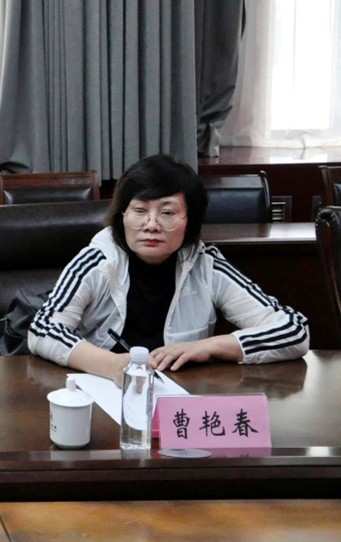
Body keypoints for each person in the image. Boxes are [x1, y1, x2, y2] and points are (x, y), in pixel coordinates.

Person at [29, 154, 308, 379]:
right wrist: (111, 365)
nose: (151, 225)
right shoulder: (98, 260)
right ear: (122, 216)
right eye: (139, 211)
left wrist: (208, 347)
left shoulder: (206, 265)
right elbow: (43, 328)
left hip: (181, 398)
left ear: (190, 221)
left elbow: (293, 331)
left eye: (167, 212)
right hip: (102, 393)